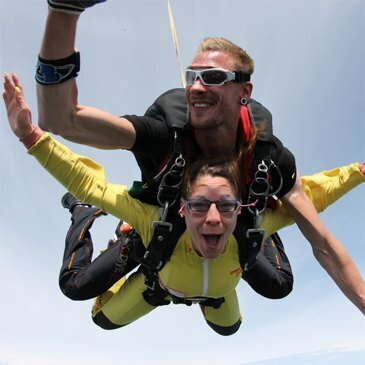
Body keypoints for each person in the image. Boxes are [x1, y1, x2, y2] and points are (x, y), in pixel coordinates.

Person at [35, 2, 365, 312]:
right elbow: (61, 119)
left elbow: (323, 245)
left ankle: (255, 223)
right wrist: (65, 11)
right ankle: (83, 211)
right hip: (159, 227)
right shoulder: (163, 138)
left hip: (230, 225)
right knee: (77, 287)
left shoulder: (271, 160)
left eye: (214, 77)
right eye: (194, 76)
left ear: (244, 92)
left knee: (278, 285)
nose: (195, 87)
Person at [3, 76, 364, 335]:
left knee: (253, 308)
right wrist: (32, 138)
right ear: (181, 207)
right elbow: (90, 185)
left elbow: (312, 194)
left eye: (225, 206)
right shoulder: (153, 219)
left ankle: (253, 248)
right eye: (198, 205)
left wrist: (360, 171)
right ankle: (90, 220)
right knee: (95, 312)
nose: (212, 218)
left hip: (221, 288)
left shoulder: (246, 221)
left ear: (238, 205)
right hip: (157, 283)